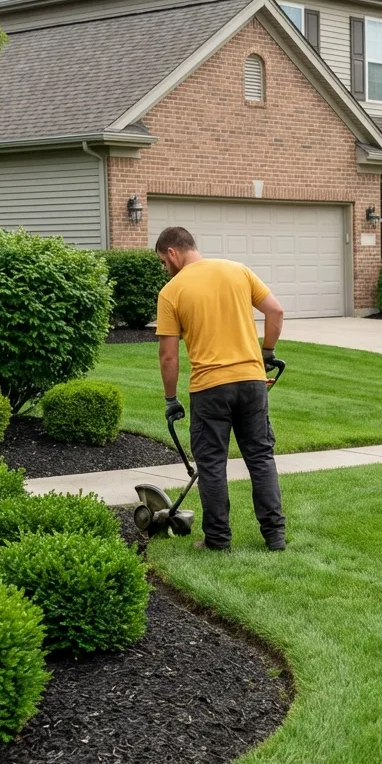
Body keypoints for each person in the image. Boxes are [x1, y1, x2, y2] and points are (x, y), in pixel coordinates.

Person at [154, 226, 287, 552]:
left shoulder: (172, 291)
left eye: (162, 261)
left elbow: (168, 354)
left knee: (212, 464)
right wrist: (266, 352)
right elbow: (276, 310)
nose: (164, 268)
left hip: (210, 388)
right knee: (260, 457)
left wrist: (171, 399)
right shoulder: (237, 271)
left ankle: (217, 540)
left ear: (172, 253)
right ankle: (275, 537)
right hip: (252, 381)